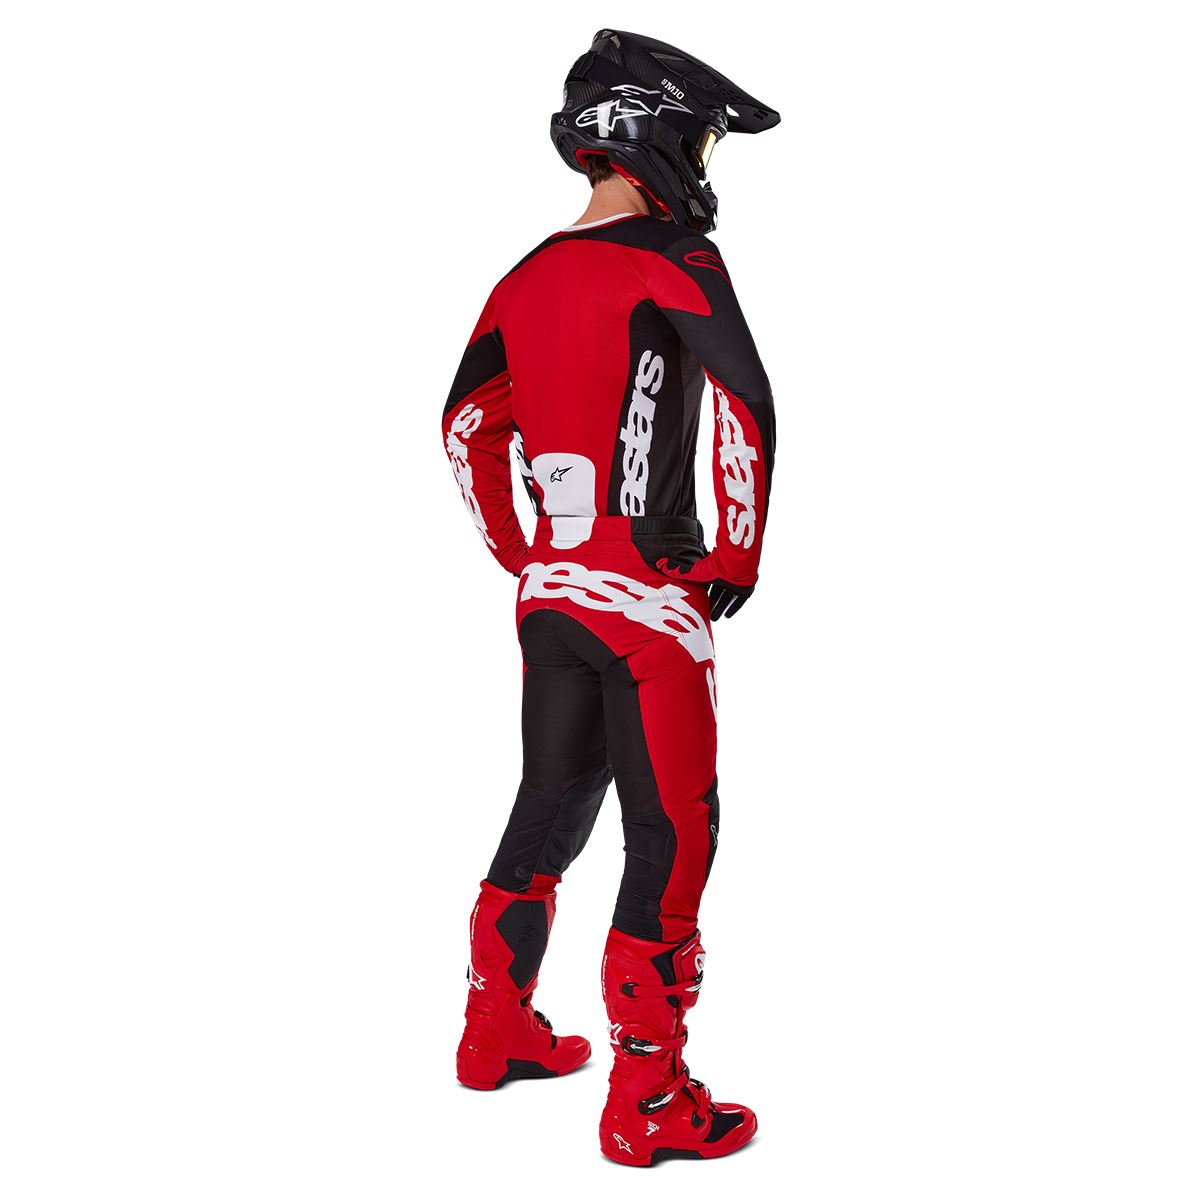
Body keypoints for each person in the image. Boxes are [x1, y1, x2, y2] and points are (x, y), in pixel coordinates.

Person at [441, 29, 779, 1166]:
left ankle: (494, 1031)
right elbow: (745, 403)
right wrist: (733, 556)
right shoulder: (673, 256)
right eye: (703, 141)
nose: (706, 165)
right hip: (648, 598)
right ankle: (648, 1098)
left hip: (552, 593)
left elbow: (465, 427)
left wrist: (526, 553)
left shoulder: (522, 276)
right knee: (673, 832)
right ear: (658, 133)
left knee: (552, 799)